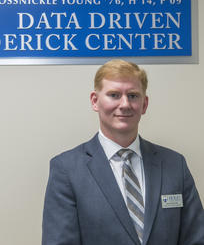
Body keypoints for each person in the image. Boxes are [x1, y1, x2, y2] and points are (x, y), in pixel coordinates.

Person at [42, 59, 204, 245]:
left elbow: (196, 238)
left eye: (133, 96)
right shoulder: (67, 169)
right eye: (114, 95)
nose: (125, 104)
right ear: (95, 101)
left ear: (144, 104)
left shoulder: (175, 164)